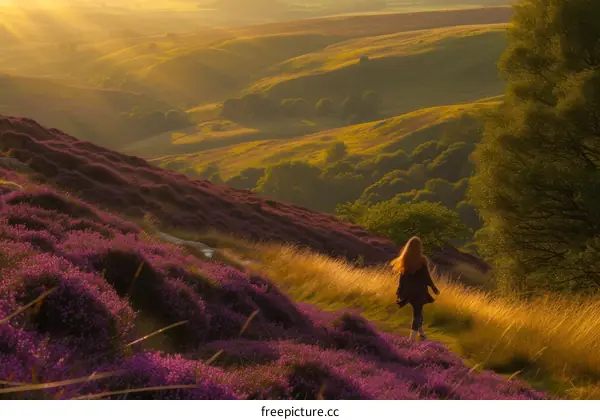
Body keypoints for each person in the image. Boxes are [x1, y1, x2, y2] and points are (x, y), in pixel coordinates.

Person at [391, 236, 440, 341]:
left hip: (408, 291)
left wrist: (399, 290)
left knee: (418, 310)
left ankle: (422, 334)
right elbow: (426, 276)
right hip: (419, 291)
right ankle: (411, 340)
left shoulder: (404, 259)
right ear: (419, 248)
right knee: (417, 314)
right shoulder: (422, 260)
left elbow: (402, 277)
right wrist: (433, 288)